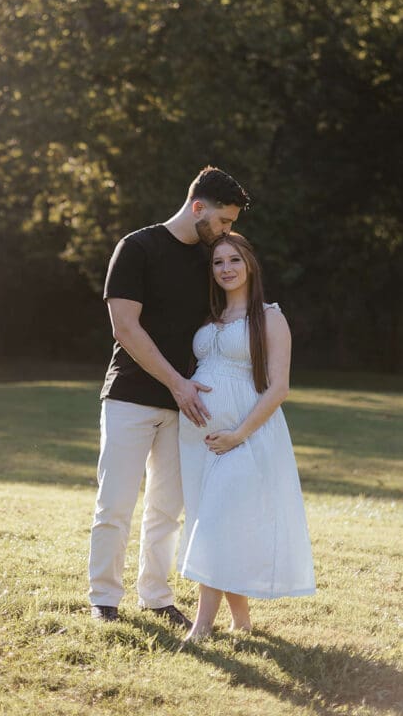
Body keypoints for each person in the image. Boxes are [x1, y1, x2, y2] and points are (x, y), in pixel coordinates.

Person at [88, 167, 251, 626]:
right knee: (115, 503)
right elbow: (125, 327)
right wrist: (176, 383)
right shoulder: (137, 248)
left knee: (168, 510)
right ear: (198, 207)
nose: (226, 233)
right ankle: (104, 599)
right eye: (222, 221)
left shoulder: (209, 261)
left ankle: (156, 596)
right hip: (130, 396)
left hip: (188, 406)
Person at [178, 231, 315, 640]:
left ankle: (202, 624)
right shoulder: (209, 318)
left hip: (245, 435)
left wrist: (238, 434)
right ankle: (241, 620)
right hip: (197, 438)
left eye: (233, 260)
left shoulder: (270, 318)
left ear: (250, 264)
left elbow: (279, 388)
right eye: (218, 262)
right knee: (219, 521)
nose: (226, 269)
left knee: (218, 521)